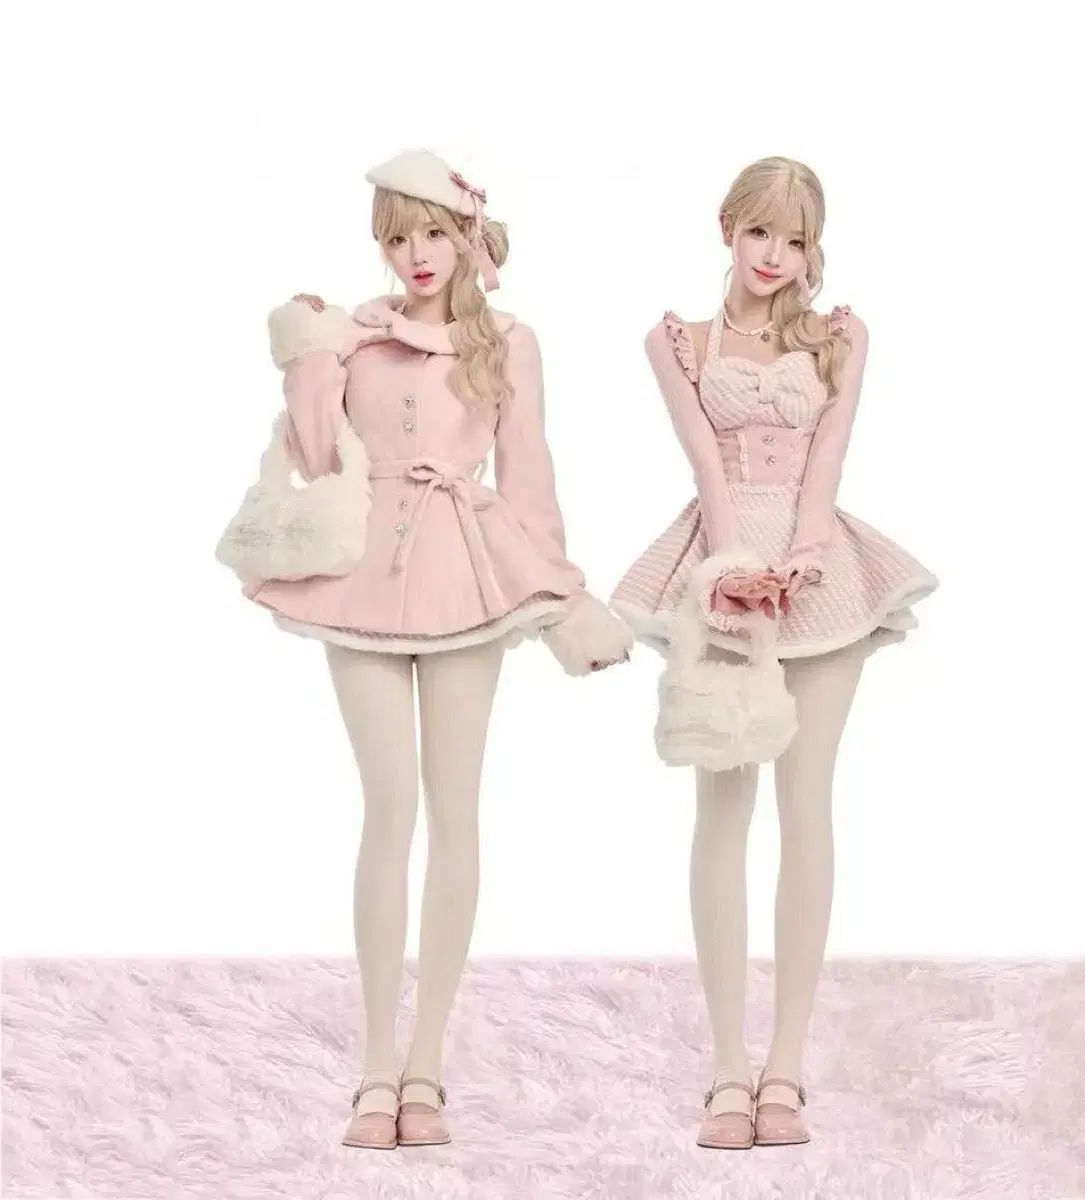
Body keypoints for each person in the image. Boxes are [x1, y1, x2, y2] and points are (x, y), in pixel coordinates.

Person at [242, 149, 631, 1149]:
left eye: (431, 233)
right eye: (396, 237)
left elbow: (529, 471)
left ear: (465, 236)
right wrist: (309, 353)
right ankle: (376, 1066)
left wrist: (556, 587)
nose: (415, 254)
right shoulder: (355, 338)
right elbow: (316, 457)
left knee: (455, 808)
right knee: (389, 807)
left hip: (466, 571)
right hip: (362, 577)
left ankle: (427, 1066)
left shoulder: (510, 341)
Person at [610, 155, 938, 1149]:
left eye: (796, 240)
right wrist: (730, 570)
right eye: (761, 232)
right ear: (728, 228)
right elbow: (706, 469)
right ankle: (725, 1068)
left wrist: (802, 557)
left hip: (818, 569)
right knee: (721, 809)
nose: (776, 255)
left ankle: (785, 1067)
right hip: (722, 571)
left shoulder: (841, 338)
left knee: (807, 808)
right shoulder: (678, 342)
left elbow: (828, 458)